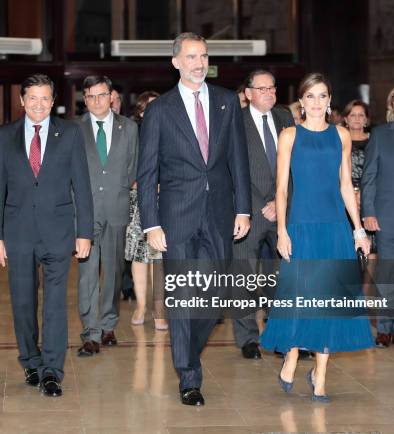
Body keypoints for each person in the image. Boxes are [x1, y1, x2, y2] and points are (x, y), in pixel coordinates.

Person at [136, 32, 251, 406]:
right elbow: (147, 170)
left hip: (219, 213)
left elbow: (238, 159)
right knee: (184, 297)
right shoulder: (159, 110)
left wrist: (244, 208)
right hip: (176, 218)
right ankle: (189, 376)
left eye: (203, 56)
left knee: (215, 297)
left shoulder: (226, 102)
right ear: (176, 62)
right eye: (191, 57)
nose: (199, 63)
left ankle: (187, 353)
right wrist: (151, 224)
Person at [260, 73, 374, 402]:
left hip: (334, 228)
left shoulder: (340, 135)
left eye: (322, 96)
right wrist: (282, 230)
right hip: (301, 226)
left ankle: (319, 373)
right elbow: (281, 189)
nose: (316, 102)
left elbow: (344, 186)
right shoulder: (289, 135)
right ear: (301, 101)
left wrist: (357, 229)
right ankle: (293, 353)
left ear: (329, 100)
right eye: (310, 96)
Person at [0, 74, 93, 397]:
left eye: (45, 98)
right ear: (21, 100)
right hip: (17, 233)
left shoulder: (70, 133)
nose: (38, 104)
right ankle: (30, 360)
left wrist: (84, 232)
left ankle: (51, 371)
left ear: (53, 100)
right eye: (32, 98)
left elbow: (82, 187)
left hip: (58, 233)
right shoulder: (4, 136)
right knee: (23, 303)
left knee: (55, 305)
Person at [232, 70, 295, 360]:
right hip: (248, 213)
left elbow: (294, 166)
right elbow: (231, 169)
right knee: (244, 275)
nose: (269, 93)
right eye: (262, 89)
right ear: (248, 93)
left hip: (281, 211)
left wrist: (279, 202)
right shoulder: (235, 121)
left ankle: (279, 334)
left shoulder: (286, 119)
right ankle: (247, 338)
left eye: (272, 88)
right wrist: (259, 205)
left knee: (278, 277)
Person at [76, 75, 138, 357]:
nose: (96, 101)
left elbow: (133, 168)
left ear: (112, 96)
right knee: (87, 274)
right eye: (90, 97)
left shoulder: (130, 128)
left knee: (114, 271)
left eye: (101, 95)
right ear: (85, 100)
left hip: (116, 209)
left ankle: (108, 324)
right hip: (85, 213)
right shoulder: (74, 130)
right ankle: (90, 331)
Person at [361, 82, 394, 347]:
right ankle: (386, 329)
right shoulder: (380, 134)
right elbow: (369, 177)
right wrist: (368, 212)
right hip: (387, 215)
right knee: (388, 273)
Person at [125, 90, 168, 330]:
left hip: (165, 198)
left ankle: (159, 309)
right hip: (137, 199)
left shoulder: (171, 131)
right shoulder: (133, 134)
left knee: (160, 257)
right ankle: (141, 305)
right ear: (141, 112)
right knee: (139, 256)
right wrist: (131, 181)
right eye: (148, 108)